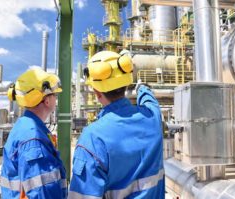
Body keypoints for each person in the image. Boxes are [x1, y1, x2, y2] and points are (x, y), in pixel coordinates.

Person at [69, 51, 165, 198]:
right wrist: (143, 88)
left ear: (97, 92)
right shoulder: (152, 118)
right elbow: (151, 102)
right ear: (126, 84)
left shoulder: (93, 138)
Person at [1, 68, 67, 199]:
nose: (56, 99)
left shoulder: (27, 127)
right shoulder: (33, 137)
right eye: (55, 95)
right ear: (47, 100)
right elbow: (42, 192)